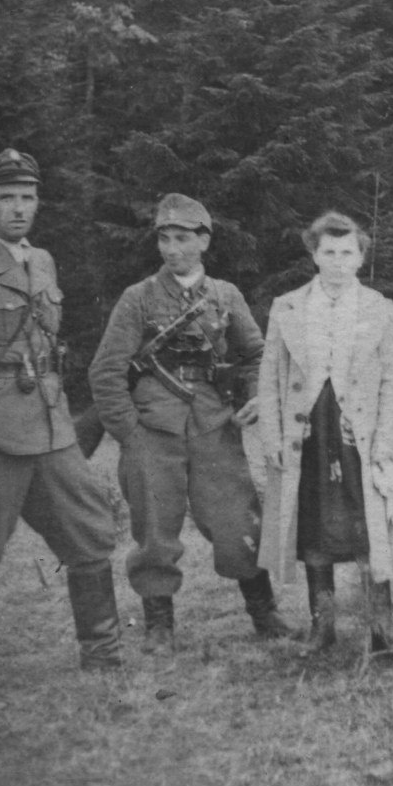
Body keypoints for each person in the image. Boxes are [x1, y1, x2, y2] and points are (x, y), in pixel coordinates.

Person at [0, 149, 122, 711]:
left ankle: (104, 656)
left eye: (28, 197)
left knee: (90, 534)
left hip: (52, 428)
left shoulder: (42, 262)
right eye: (6, 197)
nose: (18, 208)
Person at [88, 193, 291, 655]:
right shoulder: (138, 298)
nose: (172, 249)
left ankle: (264, 613)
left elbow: (256, 354)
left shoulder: (225, 295)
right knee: (154, 531)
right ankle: (159, 625)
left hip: (214, 426)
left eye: (182, 238)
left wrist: (257, 394)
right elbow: (106, 370)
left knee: (238, 521)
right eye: (164, 239)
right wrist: (128, 431)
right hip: (151, 430)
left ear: (204, 241)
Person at [257, 212, 393, 653]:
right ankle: (322, 625)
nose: (338, 262)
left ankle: (380, 625)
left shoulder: (378, 307)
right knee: (314, 526)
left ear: (361, 257)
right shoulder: (288, 306)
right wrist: (272, 439)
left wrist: (384, 440)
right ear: (314, 254)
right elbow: (269, 378)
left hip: (358, 435)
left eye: (347, 253)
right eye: (329, 252)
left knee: (369, 525)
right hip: (308, 435)